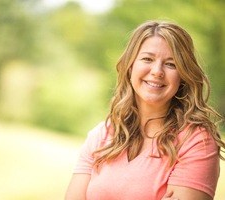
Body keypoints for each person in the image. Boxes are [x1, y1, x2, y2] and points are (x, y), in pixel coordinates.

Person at [65, 20, 225, 200]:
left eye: (171, 64)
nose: (157, 71)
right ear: (130, 66)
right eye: (147, 59)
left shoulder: (195, 142)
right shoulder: (102, 135)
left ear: (183, 76)